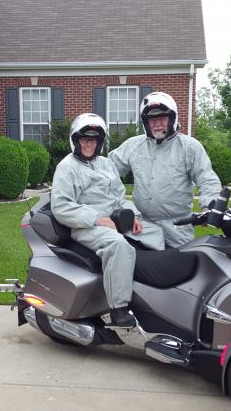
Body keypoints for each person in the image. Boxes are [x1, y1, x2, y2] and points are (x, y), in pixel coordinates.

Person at [51, 113, 164, 327]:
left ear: (100, 142)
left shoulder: (106, 164)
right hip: (85, 225)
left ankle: (150, 287)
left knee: (155, 232)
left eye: (93, 140)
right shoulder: (67, 167)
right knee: (118, 245)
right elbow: (62, 207)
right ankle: (118, 308)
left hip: (114, 220)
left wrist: (134, 217)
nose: (89, 144)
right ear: (75, 140)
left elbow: (119, 196)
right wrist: (97, 219)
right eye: (85, 139)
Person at [109, 92, 222, 248]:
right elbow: (107, 170)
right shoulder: (133, 145)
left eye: (162, 118)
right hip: (142, 225)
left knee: (184, 268)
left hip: (177, 227)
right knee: (138, 265)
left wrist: (210, 205)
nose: (157, 124)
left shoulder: (190, 147)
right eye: (152, 120)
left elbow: (207, 179)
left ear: (172, 118)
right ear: (145, 123)